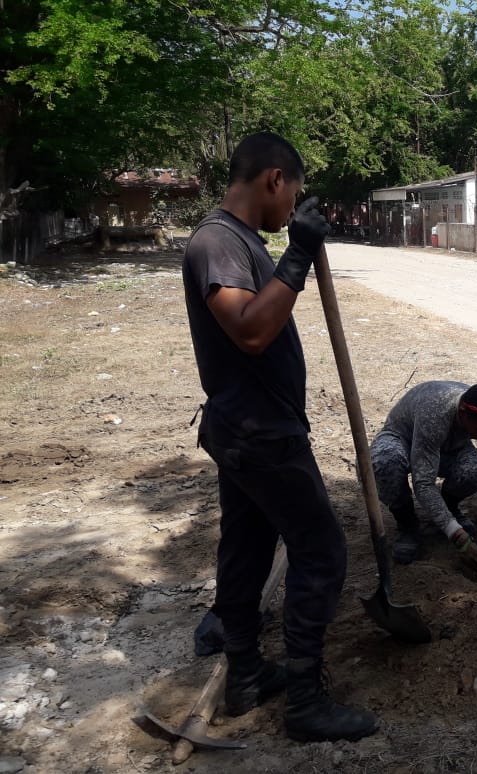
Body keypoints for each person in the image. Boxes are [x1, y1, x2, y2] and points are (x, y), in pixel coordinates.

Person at [181, 130, 378, 743]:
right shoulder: (217, 243)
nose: (291, 207)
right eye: (291, 194)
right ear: (273, 179)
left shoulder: (238, 242)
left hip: (248, 428)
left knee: (246, 548)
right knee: (321, 552)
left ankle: (243, 677)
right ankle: (306, 701)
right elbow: (249, 331)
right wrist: (295, 256)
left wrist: (289, 254)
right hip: (261, 434)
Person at [370, 381, 477, 569]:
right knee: (387, 462)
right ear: (462, 413)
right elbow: (423, 483)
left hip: (449, 445)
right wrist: (458, 537)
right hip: (403, 440)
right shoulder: (435, 412)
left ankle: (449, 507)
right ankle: (407, 524)